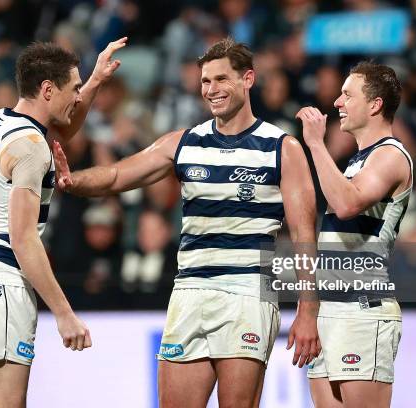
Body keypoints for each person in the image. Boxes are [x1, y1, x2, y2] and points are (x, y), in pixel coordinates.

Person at [53, 37, 320, 408]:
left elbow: (305, 236)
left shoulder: (282, 148)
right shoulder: (183, 143)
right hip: (189, 293)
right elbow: (116, 175)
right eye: (205, 81)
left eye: (221, 79)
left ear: (248, 79)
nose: (211, 89)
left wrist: (308, 311)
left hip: (245, 297)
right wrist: (72, 181)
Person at [0, 37, 127, 407]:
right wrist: (65, 314)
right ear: (47, 89)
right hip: (1, 284)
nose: (77, 97)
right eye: (73, 88)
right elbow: (24, 239)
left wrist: (93, 82)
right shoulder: (31, 148)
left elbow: (64, 126)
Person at [296, 61, 411, 407]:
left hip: (362, 310)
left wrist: (316, 144)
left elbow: (347, 204)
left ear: (375, 105)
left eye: (347, 94)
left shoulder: (391, 155)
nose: (337, 103)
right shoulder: (355, 161)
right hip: (331, 310)